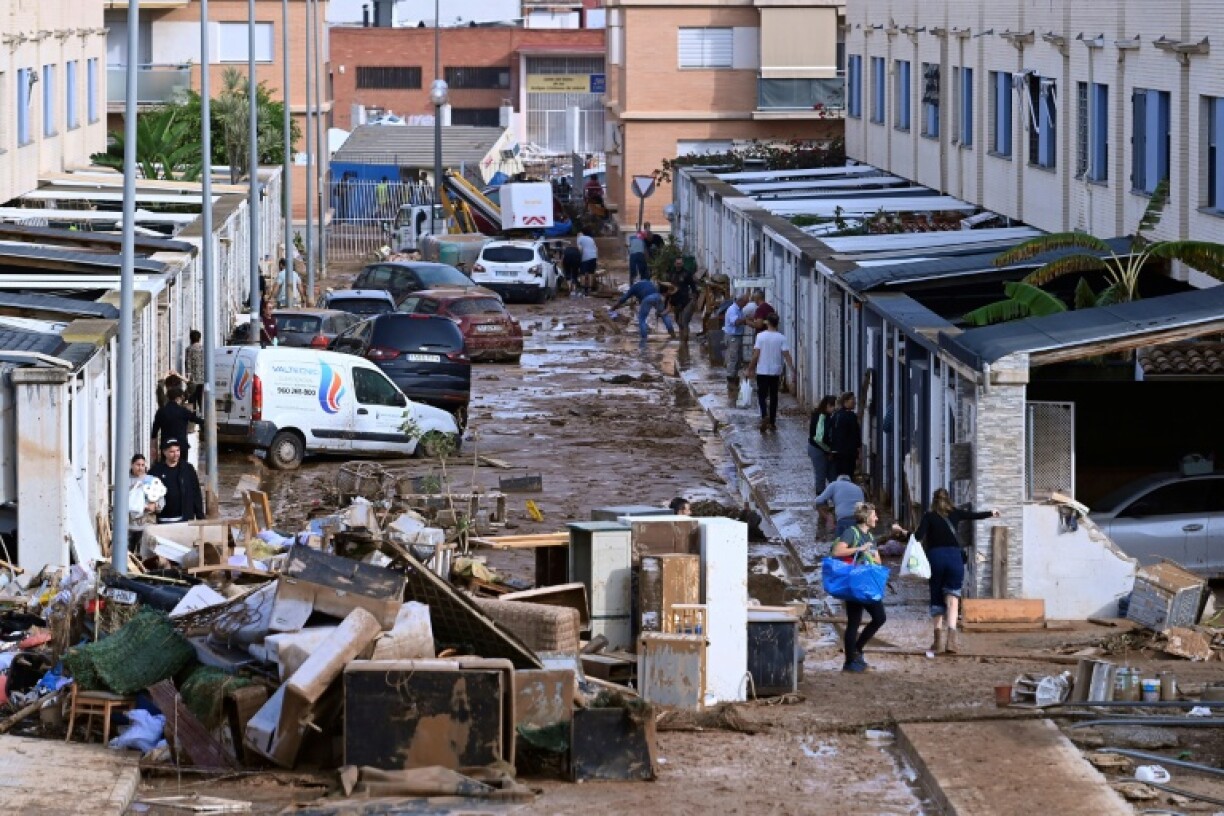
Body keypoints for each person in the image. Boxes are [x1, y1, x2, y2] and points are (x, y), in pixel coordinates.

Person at [897, 488, 1000, 655]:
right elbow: (973, 515)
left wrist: (902, 532)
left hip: (935, 559)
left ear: (933, 500)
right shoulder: (956, 513)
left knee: (937, 598)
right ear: (949, 500)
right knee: (953, 598)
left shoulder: (928, 516)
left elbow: (917, 537)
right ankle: (952, 642)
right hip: (954, 559)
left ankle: (937, 642)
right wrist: (991, 512)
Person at [830, 502, 889, 672]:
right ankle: (850, 661)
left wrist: (871, 554)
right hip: (854, 582)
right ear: (866, 517)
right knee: (854, 622)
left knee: (880, 617)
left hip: (867, 582)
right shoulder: (851, 532)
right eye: (874, 515)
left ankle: (857, 650)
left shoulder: (871, 537)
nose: (877, 518)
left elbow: (878, 561)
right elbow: (837, 552)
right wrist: (860, 549)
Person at [746, 313, 794, 433]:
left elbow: (756, 354)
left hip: (762, 370)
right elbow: (787, 355)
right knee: (774, 396)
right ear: (777, 323)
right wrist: (793, 371)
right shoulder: (781, 338)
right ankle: (772, 422)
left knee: (762, 395)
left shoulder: (760, 337)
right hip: (776, 371)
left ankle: (764, 415)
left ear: (767, 323)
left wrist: (750, 368)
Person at [149, 439, 204, 522]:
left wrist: (200, 517)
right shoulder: (156, 470)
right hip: (163, 519)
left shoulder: (188, 469)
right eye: (172, 452)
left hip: (185, 519)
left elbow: (196, 493)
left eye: (177, 450)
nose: (176, 454)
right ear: (164, 452)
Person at [150, 385, 204, 463]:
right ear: (179, 398)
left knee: (166, 469)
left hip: (166, 446)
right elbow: (196, 419)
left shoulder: (161, 411)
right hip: (181, 446)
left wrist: (153, 448)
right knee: (182, 469)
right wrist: (209, 423)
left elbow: (154, 433)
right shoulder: (183, 411)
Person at [610, 278, 675, 341]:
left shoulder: (634, 287)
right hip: (658, 296)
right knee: (664, 315)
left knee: (642, 319)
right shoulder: (648, 282)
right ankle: (672, 333)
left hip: (647, 299)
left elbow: (623, 299)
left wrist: (613, 308)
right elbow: (653, 291)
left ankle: (644, 338)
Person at [814, 473, 866, 539]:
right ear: (849, 481)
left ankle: (830, 523)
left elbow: (819, 500)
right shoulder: (858, 488)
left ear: (838, 480)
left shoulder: (834, 484)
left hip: (843, 519)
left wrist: (827, 514)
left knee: (839, 545)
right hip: (859, 520)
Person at [127, 454, 161, 553]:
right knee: (128, 555)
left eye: (142, 465)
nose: (140, 467)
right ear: (132, 464)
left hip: (147, 523)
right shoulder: (125, 480)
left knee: (145, 554)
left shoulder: (151, 480)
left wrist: (156, 506)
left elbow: (161, 497)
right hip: (129, 524)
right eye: (138, 465)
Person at [808, 395, 837, 493]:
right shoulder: (821, 416)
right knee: (821, 475)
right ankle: (821, 502)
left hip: (823, 449)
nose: (834, 410)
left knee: (832, 475)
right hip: (818, 449)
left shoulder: (826, 416)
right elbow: (819, 439)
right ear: (827, 405)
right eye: (833, 407)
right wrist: (829, 450)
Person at [829, 391, 861, 478]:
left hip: (837, 452)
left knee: (839, 475)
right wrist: (857, 449)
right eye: (852, 399)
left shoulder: (836, 415)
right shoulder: (850, 416)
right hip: (848, 453)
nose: (854, 402)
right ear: (845, 401)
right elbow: (855, 435)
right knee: (848, 475)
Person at [723, 291, 750, 391]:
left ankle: (734, 378)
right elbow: (735, 322)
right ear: (740, 301)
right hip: (733, 336)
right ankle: (731, 380)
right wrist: (745, 320)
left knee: (738, 358)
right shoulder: (733, 310)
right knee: (733, 358)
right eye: (745, 302)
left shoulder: (739, 309)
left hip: (737, 336)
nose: (746, 304)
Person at [668, 257, 699, 342]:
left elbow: (693, 286)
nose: (679, 265)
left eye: (680, 264)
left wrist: (695, 297)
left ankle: (685, 342)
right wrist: (667, 302)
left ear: (682, 264)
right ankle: (682, 336)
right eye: (677, 264)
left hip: (686, 301)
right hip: (676, 301)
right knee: (678, 321)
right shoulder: (671, 273)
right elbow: (669, 288)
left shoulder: (687, 273)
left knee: (684, 321)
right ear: (675, 264)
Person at [184, 330, 205, 411]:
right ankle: (202, 418)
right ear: (199, 338)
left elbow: (187, 363)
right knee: (201, 398)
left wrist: (187, 376)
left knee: (192, 399)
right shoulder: (204, 349)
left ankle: (192, 418)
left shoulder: (189, 349)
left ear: (190, 338)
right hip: (203, 378)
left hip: (192, 379)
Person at [576, 228, 598, 295]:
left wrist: (579, 258)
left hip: (585, 257)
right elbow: (596, 248)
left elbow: (580, 249)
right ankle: (590, 288)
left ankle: (583, 288)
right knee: (591, 272)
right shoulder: (590, 238)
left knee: (582, 273)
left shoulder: (579, 238)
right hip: (594, 256)